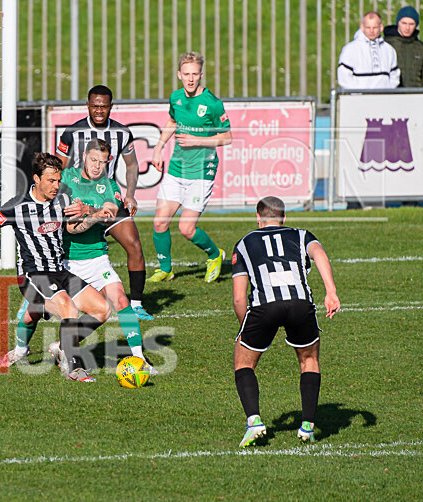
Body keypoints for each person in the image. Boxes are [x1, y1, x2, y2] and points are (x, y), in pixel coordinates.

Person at [0, 140, 157, 374]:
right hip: (65, 260)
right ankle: (21, 350)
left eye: (103, 162)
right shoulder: (65, 179)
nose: (97, 166)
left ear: (109, 162)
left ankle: (138, 359)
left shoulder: (109, 185)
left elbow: (111, 213)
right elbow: (44, 199)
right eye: (93, 160)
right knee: (34, 314)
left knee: (119, 301)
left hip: (97, 256)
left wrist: (89, 211)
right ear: (83, 157)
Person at [0, 153, 113, 382]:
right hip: (33, 275)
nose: (56, 186)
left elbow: (72, 229)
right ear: (37, 179)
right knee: (68, 309)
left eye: (58, 180)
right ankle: (74, 368)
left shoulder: (62, 199)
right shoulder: (17, 206)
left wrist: (95, 216)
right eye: (51, 181)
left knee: (102, 309)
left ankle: (35, 348)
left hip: (60, 271)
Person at [231, 196, 340, 448]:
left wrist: (245, 326)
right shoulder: (301, 235)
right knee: (309, 360)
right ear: (284, 217)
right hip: (300, 304)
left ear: (258, 218)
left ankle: (254, 421)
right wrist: (331, 291)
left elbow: (238, 297)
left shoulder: (245, 243)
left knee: (243, 361)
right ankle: (308, 426)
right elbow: (319, 253)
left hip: (264, 307)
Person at [54, 85, 153, 320]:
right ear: (87, 105)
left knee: (134, 244)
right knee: (53, 249)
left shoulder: (122, 133)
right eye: (95, 106)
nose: (99, 110)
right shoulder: (72, 133)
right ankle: (44, 297)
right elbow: (58, 169)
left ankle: (136, 304)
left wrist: (130, 194)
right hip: (76, 202)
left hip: (107, 199)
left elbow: (131, 165)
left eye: (104, 106)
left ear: (111, 107)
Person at [149, 52, 232, 284]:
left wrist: (197, 140)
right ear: (179, 75)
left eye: (195, 74)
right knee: (159, 222)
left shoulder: (212, 103)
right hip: (177, 169)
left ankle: (215, 255)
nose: (191, 79)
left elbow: (227, 137)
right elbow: (172, 122)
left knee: (186, 228)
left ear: (201, 74)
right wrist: (158, 148)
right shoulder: (176, 98)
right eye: (186, 74)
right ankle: (166, 269)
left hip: (201, 172)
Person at [337, 11, 400, 89]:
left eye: (375, 27)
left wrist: (387, 92)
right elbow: (344, 78)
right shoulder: (350, 49)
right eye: (368, 27)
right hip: (359, 96)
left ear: (381, 27)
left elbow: (394, 76)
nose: (371, 31)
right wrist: (357, 94)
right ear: (362, 27)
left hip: (383, 96)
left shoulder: (389, 50)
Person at [383, 6, 423, 87]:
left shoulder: (422, 49)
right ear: (398, 23)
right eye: (404, 23)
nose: (407, 27)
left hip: (416, 93)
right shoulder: (386, 45)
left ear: (416, 25)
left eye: (411, 24)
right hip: (391, 93)